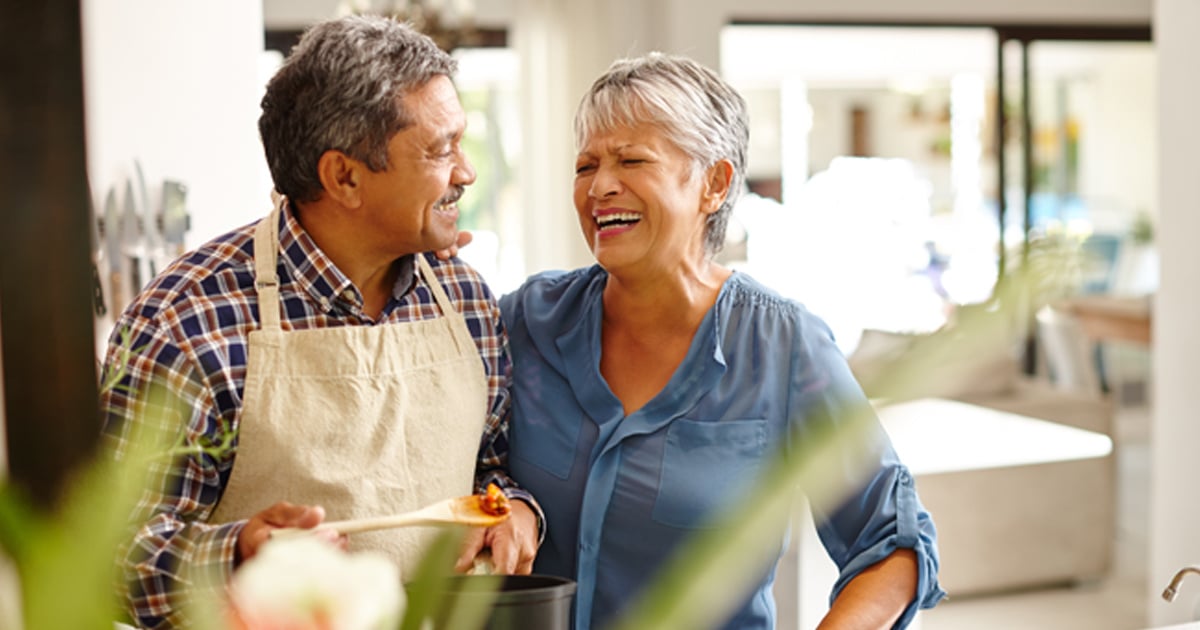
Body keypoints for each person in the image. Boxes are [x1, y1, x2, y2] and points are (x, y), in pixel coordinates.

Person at [99, 16, 540, 629]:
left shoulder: (464, 297)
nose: (465, 172)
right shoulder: (185, 320)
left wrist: (514, 507)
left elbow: (490, 466)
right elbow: (111, 555)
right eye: (440, 149)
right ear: (345, 177)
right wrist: (235, 554)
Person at [499, 52, 945, 629]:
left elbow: (893, 542)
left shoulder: (783, 346)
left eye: (631, 160)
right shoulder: (528, 320)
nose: (600, 187)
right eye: (586, 167)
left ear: (714, 183)